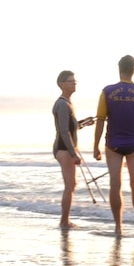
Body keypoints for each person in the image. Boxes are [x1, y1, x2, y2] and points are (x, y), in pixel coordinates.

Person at [93, 55, 134, 237]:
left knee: (115, 185)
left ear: (119, 68)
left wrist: (95, 146)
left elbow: (100, 120)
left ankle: (118, 227)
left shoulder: (107, 92)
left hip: (113, 144)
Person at [52, 70, 82, 229]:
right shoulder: (62, 104)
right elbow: (64, 131)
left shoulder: (68, 103)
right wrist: (73, 153)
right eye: (71, 81)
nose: (74, 83)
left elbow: (70, 127)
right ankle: (64, 221)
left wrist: (82, 124)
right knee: (70, 185)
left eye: (75, 81)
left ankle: (65, 220)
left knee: (71, 184)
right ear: (62, 84)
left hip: (65, 148)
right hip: (63, 149)